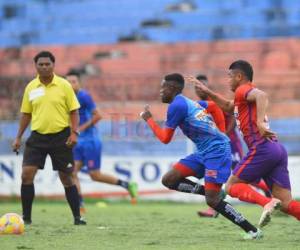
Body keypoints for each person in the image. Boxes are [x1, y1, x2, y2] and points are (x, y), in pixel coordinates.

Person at [140, 73, 262, 239]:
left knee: (212, 202)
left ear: (173, 88)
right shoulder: (187, 102)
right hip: (203, 152)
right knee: (169, 180)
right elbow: (213, 106)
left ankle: (252, 231)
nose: (160, 91)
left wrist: (149, 120)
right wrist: (220, 129)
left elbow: (165, 139)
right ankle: (209, 192)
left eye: (163, 88)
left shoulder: (177, 106)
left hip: (217, 152)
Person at [188, 59, 300, 228]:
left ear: (239, 76)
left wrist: (260, 122)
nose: (227, 80)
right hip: (277, 149)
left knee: (232, 186)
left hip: (262, 148)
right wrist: (207, 91)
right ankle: (271, 202)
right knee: (286, 204)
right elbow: (227, 106)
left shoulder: (242, 90)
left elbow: (261, 95)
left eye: (229, 76)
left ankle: (266, 203)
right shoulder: (241, 99)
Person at [12, 51, 86, 225]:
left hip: (61, 137)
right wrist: (18, 137)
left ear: (53, 65)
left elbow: (74, 111)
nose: (44, 67)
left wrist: (74, 133)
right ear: (36, 66)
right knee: (26, 175)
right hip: (37, 138)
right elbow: (26, 114)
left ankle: (77, 217)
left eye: (47, 64)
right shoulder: (31, 87)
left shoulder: (64, 85)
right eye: (41, 64)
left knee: (67, 177)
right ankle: (27, 218)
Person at [195, 74, 271, 218]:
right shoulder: (199, 105)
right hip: (217, 147)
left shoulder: (215, 101)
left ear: (207, 87)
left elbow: (232, 117)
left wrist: (224, 134)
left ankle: (267, 190)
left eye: (201, 85)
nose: (199, 89)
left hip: (231, 144)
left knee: (240, 174)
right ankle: (214, 208)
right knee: (217, 175)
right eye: (196, 87)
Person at [66, 70, 138, 212]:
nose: (70, 84)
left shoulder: (84, 96)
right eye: (68, 82)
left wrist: (79, 129)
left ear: (79, 83)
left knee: (95, 175)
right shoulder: (66, 98)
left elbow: (98, 116)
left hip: (90, 141)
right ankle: (79, 205)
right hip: (77, 141)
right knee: (72, 172)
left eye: (73, 81)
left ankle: (127, 185)